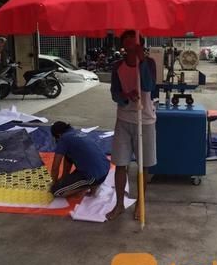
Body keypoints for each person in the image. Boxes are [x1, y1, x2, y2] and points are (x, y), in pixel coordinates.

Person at [106, 30, 157, 221]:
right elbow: (114, 94)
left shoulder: (149, 63)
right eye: (127, 47)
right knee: (120, 163)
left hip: (145, 120)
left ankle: (140, 203)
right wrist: (125, 97)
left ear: (141, 46)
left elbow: (149, 86)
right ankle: (119, 204)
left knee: (143, 166)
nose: (130, 50)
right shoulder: (117, 66)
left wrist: (141, 61)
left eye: (134, 46)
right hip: (124, 120)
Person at [50, 121, 110, 197]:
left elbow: (55, 167)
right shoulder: (76, 133)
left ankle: (89, 186)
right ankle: (91, 184)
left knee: (56, 191)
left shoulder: (63, 139)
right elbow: (68, 160)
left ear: (58, 135)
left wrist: (53, 184)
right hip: (105, 168)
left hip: (94, 176)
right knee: (69, 157)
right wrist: (64, 179)